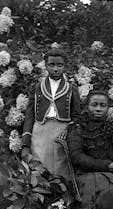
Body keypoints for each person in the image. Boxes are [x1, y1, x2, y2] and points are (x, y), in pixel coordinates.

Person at [21, 48, 81, 180]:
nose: (56, 69)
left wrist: (69, 129)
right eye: (51, 65)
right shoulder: (37, 87)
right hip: (39, 131)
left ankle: (62, 197)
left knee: (61, 169)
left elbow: (76, 115)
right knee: (38, 168)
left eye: (60, 65)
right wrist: (25, 142)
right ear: (46, 66)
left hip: (61, 131)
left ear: (65, 66)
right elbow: (30, 115)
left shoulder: (71, 88)